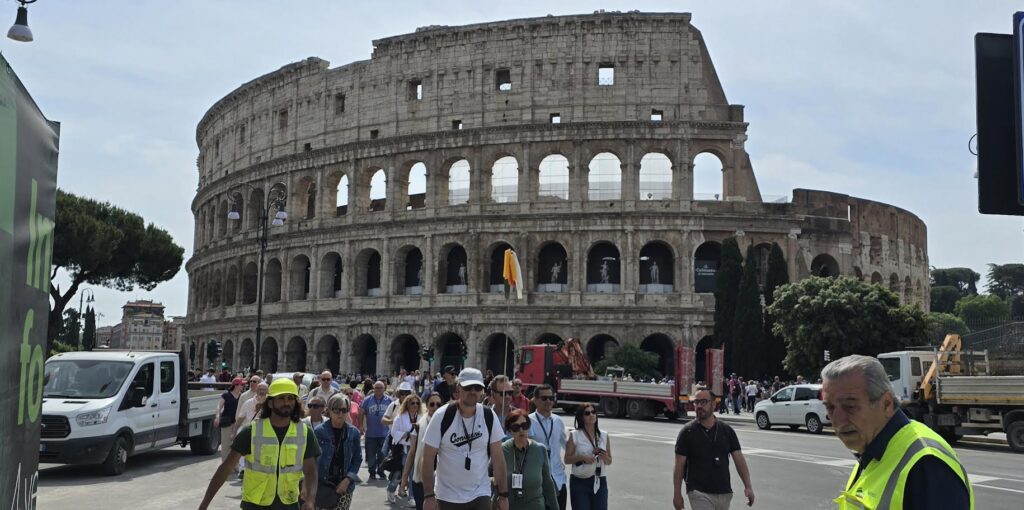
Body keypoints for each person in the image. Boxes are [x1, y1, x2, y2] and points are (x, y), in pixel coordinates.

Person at [821, 355, 972, 509]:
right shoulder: (872, 452)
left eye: (850, 406)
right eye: (830, 407)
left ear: (886, 404)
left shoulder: (926, 464)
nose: (838, 420)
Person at [198, 378, 320, 510]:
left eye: (290, 398)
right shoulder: (251, 432)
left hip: (289, 504)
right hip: (255, 505)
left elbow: (311, 471)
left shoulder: (304, 432)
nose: (286, 402)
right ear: (270, 403)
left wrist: (310, 500)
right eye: (281, 398)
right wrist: (204, 505)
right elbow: (225, 468)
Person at [421, 367, 510, 510]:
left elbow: (498, 458)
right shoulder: (442, 416)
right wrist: (429, 495)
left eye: (477, 387)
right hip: (447, 496)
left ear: (482, 391)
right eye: (468, 387)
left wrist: (503, 494)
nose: (473, 391)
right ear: (458, 388)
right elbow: (427, 458)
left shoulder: (488, 415)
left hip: (480, 494)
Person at [672, 388, 754, 510]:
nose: (699, 406)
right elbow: (679, 465)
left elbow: (739, 459)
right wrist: (677, 494)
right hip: (698, 491)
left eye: (703, 402)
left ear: (713, 404)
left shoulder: (726, 431)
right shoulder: (687, 432)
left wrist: (748, 486)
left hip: (724, 492)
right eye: (696, 402)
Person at [502, 409, 559, 510]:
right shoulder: (502, 450)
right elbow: (489, 478)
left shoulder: (540, 449)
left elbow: (548, 483)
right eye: (515, 427)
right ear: (509, 430)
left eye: (524, 426)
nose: (521, 430)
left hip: (535, 506)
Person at [313, 393, 363, 510]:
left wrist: (348, 479)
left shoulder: (353, 432)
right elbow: (311, 460)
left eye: (344, 410)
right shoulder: (319, 431)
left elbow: (357, 459)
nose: (340, 414)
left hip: (344, 487)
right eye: (336, 410)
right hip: (322, 485)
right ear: (329, 411)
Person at [401, 392, 444, 510]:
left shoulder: (448, 425)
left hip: (443, 480)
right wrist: (404, 478)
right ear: (427, 405)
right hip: (421, 478)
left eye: (439, 404)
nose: (435, 407)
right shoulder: (419, 425)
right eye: (432, 404)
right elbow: (412, 453)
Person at [564, 403, 611, 510]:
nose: (592, 415)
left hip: (600, 479)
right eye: (587, 413)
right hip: (580, 481)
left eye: (594, 412)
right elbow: (567, 459)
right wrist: (582, 457)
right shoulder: (575, 435)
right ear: (581, 417)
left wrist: (604, 456)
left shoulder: (604, 435)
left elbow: (609, 461)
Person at [528, 385, 568, 510]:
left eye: (551, 398)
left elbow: (566, 444)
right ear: (535, 400)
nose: (549, 401)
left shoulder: (558, 421)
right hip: (538, 480)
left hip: (558, 479)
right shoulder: (528, 421)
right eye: (544, 398)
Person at [387, 393, 424, 505]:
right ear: (407, 404)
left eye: (417, 403)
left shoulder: (421, 417)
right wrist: (407, 434)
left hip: (416, 448)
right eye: (412, 403)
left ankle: (411, 497)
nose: (415, 405)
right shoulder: (400, 417)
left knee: (413, 474)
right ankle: (391, 489)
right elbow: (393, 432)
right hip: (402, 448)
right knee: (399, 473)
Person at [360, 380, 392, 480]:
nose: (378, 390)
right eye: (376, 388)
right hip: (371, 433)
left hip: (384, 433)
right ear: (373, 389)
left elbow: (394, 414)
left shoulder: (389, 400)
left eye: (380, 388)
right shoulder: (367, 400)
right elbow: (361, 412)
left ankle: (381, 471)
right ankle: (372, 472)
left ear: (384, 389)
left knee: (383, 454)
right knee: (371, 455)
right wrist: (361, 425)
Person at [214, 377, 244, 464]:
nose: (243, 386)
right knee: (226, 445)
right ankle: (225, 465)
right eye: (241, 384)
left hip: (238, 423)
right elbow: (219, 407)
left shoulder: (242, 396)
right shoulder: (226, 395)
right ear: (236, 385)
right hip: (227, 423)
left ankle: (236, 466)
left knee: (237, 446)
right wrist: (217, 417)